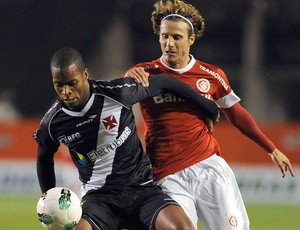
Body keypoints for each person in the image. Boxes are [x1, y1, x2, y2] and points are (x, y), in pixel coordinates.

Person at [123, 0, 295, 229]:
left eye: (176, 37)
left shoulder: (211, 75)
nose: (169, 43)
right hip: (166, 175)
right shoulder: (143, 74)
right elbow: (116, 115)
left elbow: (236, 115)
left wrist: (271, 148)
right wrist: (126, 82)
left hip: (208, 169)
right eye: (164, 36)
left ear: (190, 40)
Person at [33, 47, 220, 230]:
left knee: (182, 227)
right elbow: (43, 157)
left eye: (72, 83)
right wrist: (49, 198)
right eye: (59, 85)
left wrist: (207, 106)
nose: (66, 91)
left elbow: (164, 82)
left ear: (85, 74)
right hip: (99, 198)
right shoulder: (52, 123)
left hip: (142, 189)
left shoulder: (118, 93)